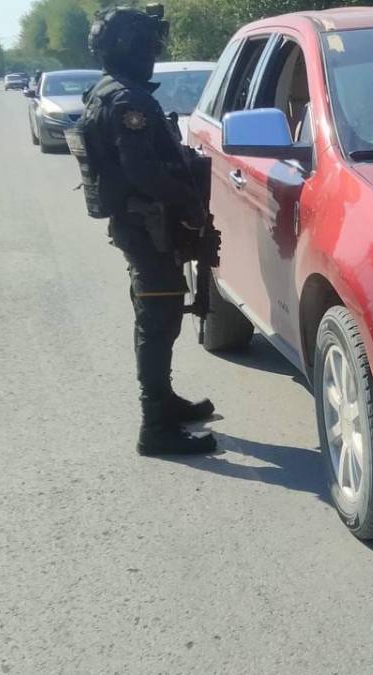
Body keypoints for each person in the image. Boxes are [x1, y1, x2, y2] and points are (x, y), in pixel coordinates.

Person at [74, 4, 218, 455]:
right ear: (130, 48)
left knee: (160, 317)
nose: (154, 52)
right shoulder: (127, 100)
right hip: (148, 227)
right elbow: (143, 173)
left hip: (143, 225)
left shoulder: (109, 91)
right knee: (158, 321)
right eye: (148, 44)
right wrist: (189, 204)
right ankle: (155, 425)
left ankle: (164, 402)